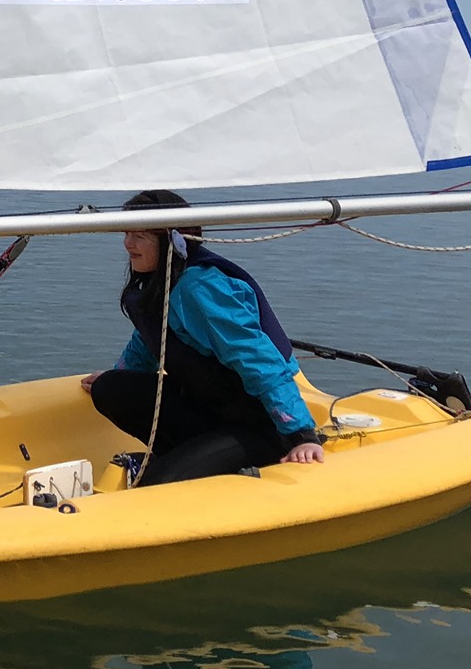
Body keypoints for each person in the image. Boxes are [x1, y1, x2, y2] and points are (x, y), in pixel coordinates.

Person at [80, 190, 326, 485]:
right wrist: (120, 374)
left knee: (157, 483)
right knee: (109, 388)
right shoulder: (162, 281)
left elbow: (257, 358)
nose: (127, 244)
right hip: (210, 410)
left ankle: (200, 463)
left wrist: (301, 435)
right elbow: (150, 339)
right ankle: (190, 455)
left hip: (259, 426)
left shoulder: (202, 288)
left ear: (172, 241)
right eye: (126, 233)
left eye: (139, 236)